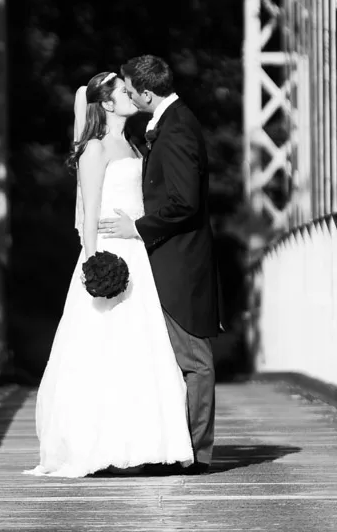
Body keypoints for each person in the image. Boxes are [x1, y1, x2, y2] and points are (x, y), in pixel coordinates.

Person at [24, 71, 194, 478]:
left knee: (140, 349)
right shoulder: (95, 149)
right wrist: (95, 265)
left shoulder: (134, 146)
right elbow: (88, 213)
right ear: (106, 103)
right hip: (111, 255)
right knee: (102, 348)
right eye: (123, 91)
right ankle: (98, 445)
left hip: (138, 254)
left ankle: (141, 445)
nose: (132, 95)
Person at [98, 55, 220, 473]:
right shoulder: (167, 125)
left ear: (147, 93)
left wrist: (139, 228)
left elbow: (185, 202)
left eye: (131, 89)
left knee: (193, 359)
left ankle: (197, 454)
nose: (128, 94)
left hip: (178, 260)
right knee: (169, 357)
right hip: (161, 258)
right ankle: (178, 446)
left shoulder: (177, 129)